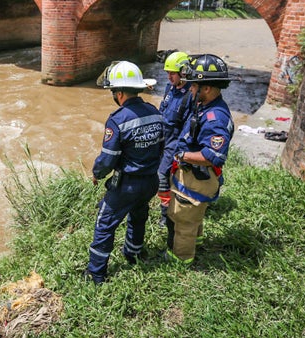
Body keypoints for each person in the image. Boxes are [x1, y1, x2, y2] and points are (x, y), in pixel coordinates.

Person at [85, 61, 163, 284]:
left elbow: (108, 159)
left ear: (119, 93)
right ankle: (133, 253)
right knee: (139, 216)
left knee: (105, 223)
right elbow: (161, 147)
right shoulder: (154, 112)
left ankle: (96, 274)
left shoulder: (117, 120)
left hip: (127, 185)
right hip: (150, 181)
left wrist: (97, 174)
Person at [165, 54, 235, 265]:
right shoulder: (205, 105)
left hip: (196, 177)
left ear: (207, 88)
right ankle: (198, 240)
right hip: (194, 175)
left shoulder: (215, 118)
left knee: (183, 220)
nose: (191, 89)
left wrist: (182, 155)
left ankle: (180, 259)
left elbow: (212, 156)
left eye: (194, 86)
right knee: (194, 212)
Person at [156, 51, 192, 227]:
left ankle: (167, 214)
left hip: (174, 141)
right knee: (157, 173)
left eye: (172, 73)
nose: (169, 77)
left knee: (162, 175)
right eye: (167, 73)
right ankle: (167, 204)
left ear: (183, 72)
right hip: (163, 136)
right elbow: (163, 110)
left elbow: (188, 127)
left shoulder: (190, 94)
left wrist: (179, 151)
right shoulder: (169, 88)